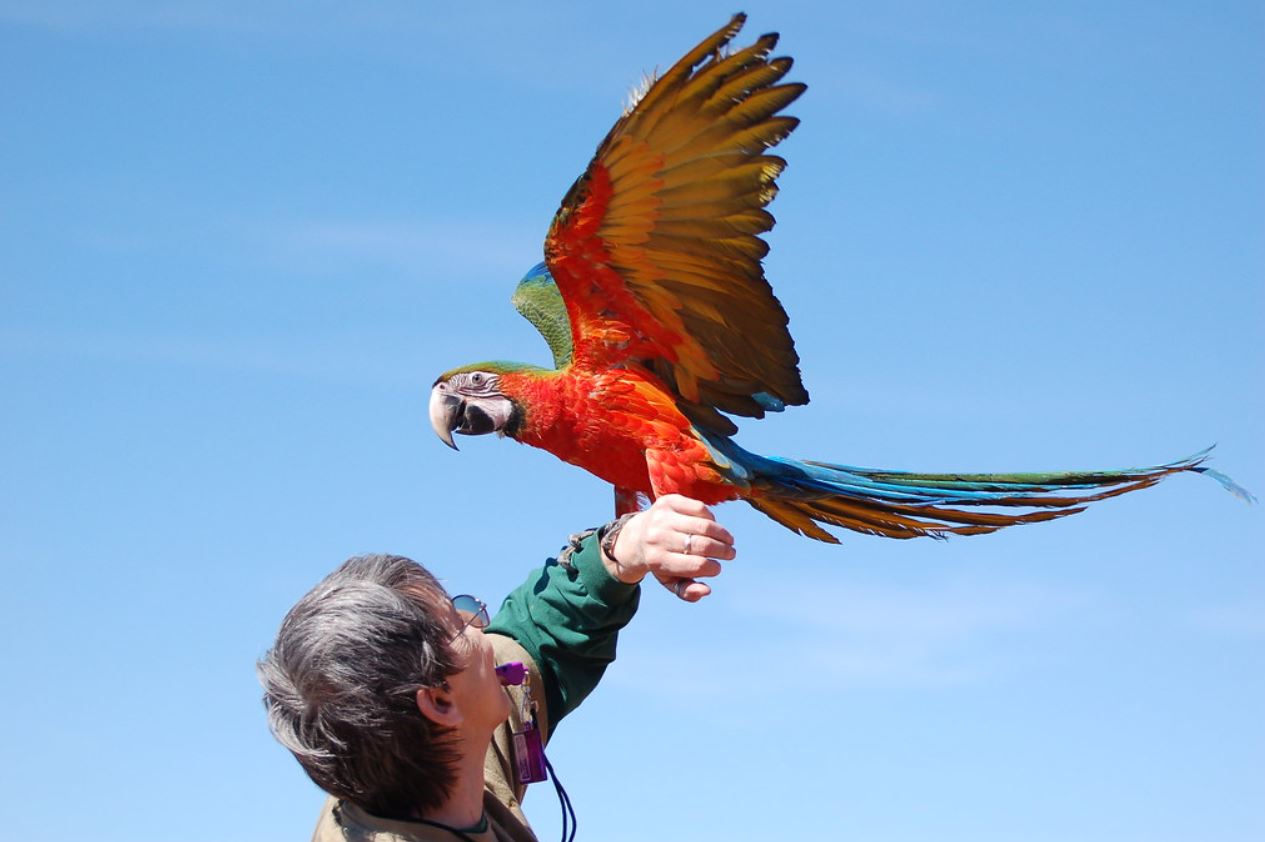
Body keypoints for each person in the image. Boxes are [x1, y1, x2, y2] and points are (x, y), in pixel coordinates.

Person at [258, 494, 735, 841]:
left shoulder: (409, 762)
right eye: (458, 623)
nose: (482, 628)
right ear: (440, 701)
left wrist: (618, 550)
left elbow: (536, 640)